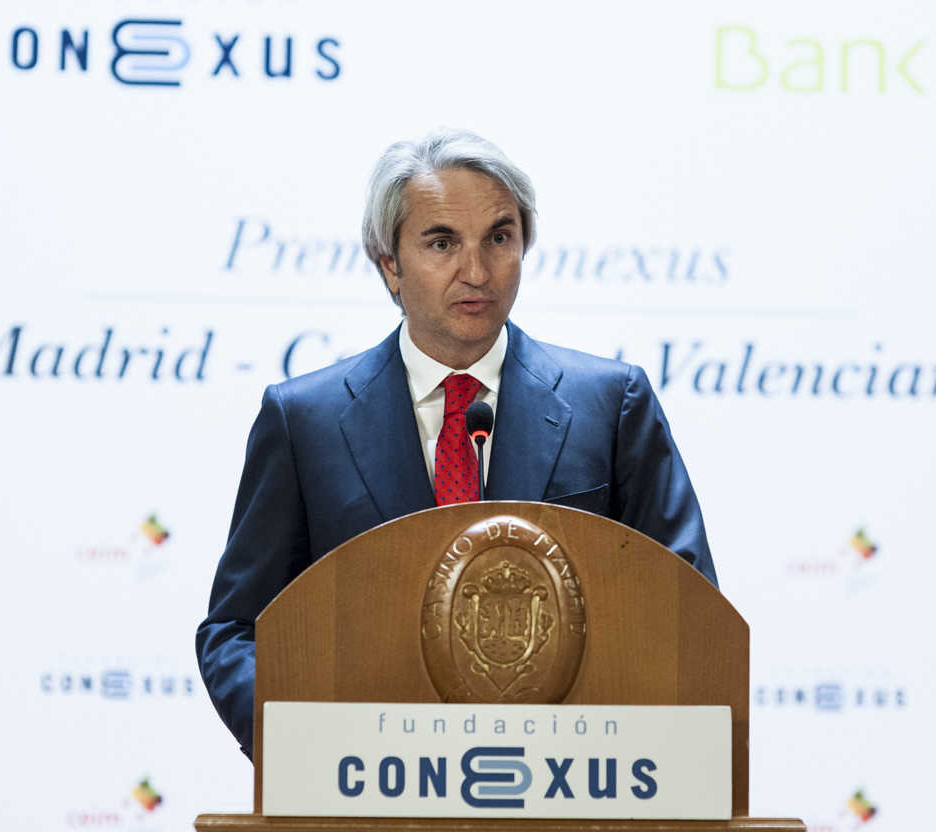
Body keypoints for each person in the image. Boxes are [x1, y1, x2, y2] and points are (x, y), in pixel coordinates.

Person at [196, 128, 718, 759]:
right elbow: (236, 630)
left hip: (567, 788)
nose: (477, 271)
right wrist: (308, 754)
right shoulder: (304, 421)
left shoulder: (611, 404)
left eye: (499, 238)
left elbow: (690, 615)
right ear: (387, 261)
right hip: (367, 794)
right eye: (442, 243)